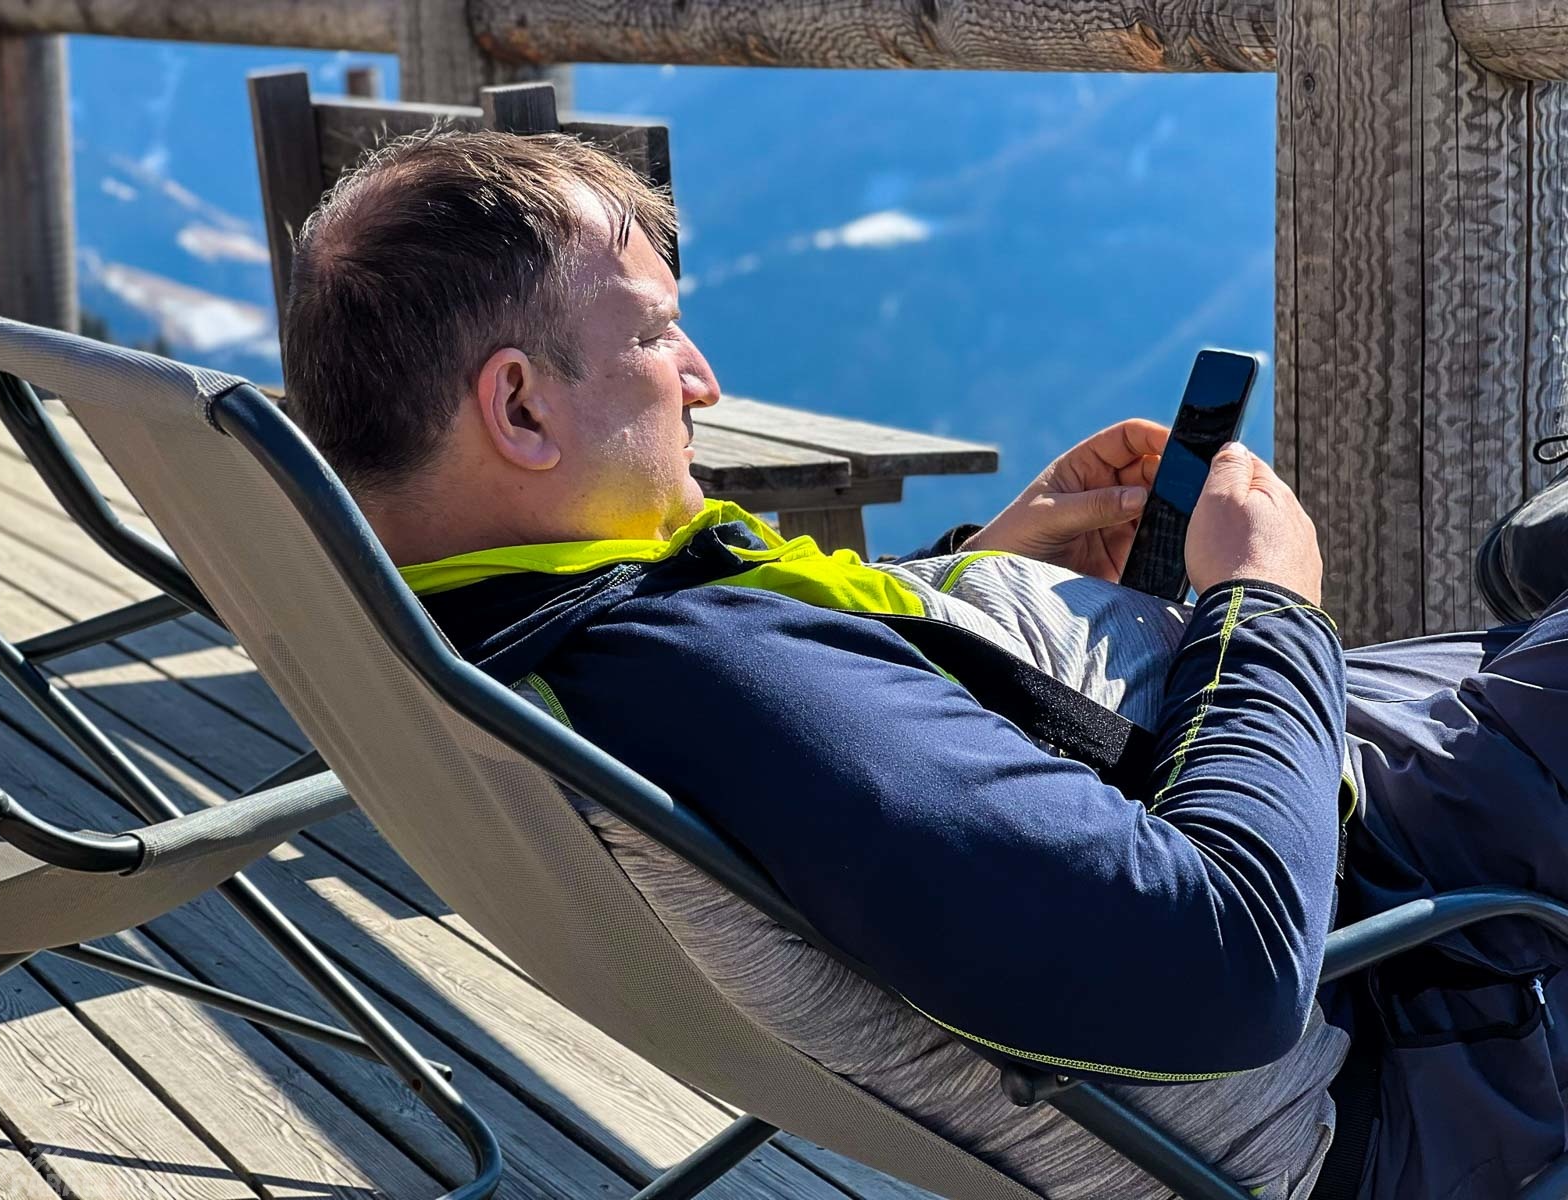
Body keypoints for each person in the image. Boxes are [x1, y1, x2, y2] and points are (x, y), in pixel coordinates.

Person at [280, 129, 1568, 1200]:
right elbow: (1222, 966)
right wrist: (1262, 606)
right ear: (518, 406)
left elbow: (870, 765)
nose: (702, 382)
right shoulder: (702, 685)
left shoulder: (454, 628)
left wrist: (980, 587)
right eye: (658, 337)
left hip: (1283, 813)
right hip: (1415, 1003)